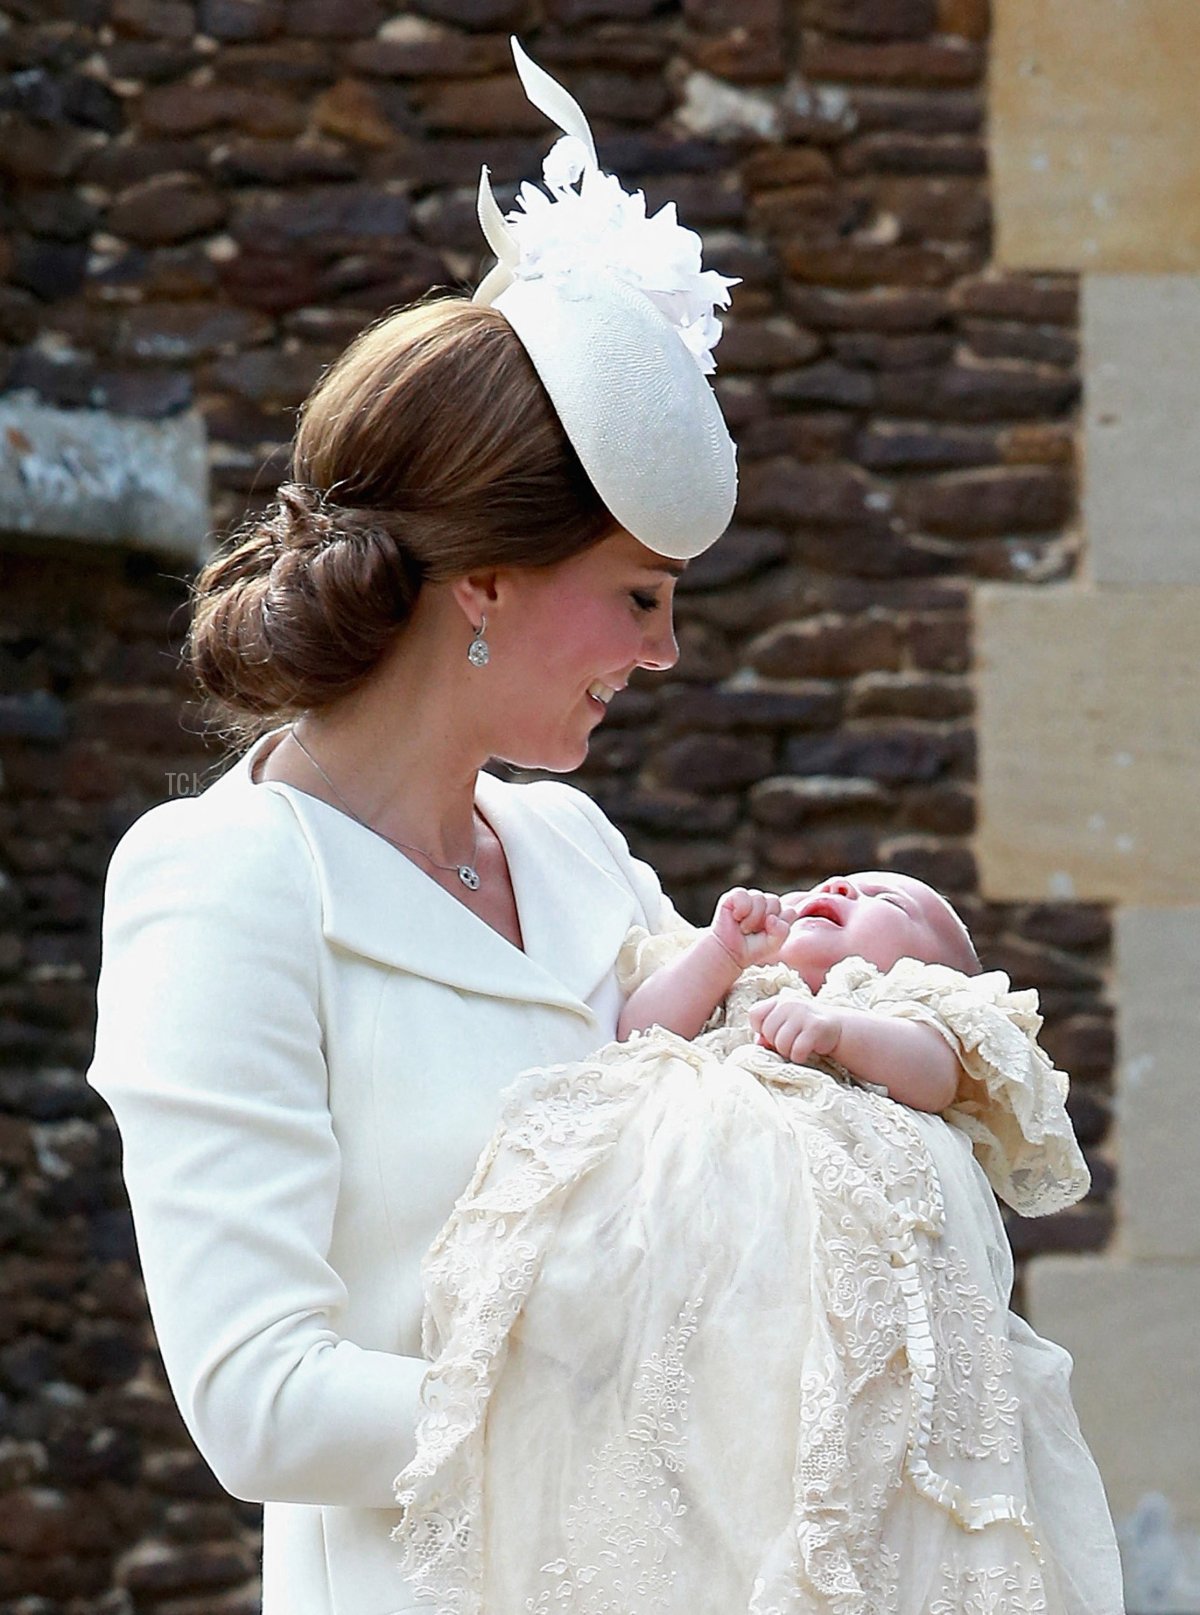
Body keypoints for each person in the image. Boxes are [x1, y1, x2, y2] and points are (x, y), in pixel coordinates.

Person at [85, 39, 739, 1615]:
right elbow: (262, 1399)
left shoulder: (579, 852)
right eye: (638, 598)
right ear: (488, 584)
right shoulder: (224, 884)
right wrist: (625, 1397)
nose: (662, 652)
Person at [389, 872, 1126, 1614]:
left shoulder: (900, 1005)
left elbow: (934, 1075)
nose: (840, 885)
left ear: (931, 965)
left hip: (820, 1255)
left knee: (823, 1417)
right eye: (832, 883)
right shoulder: (743, 979)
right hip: (690, 1234)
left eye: (888, 901)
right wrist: (717, 952)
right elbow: (638, 1028)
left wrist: (840, 1031)